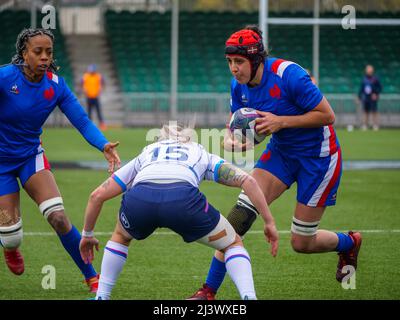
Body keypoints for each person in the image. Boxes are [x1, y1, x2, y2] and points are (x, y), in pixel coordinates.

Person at [188, 25, 362, 300]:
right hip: (280, 153)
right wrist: (233, 141)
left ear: (256, 59)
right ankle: (208, 290)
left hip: (318, 157)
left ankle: (349, 242)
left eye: (239, 62)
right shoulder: (238, 86)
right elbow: (236, 127)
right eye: (230, 62)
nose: (234, 69)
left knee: (301, 242)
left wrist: (281, 122)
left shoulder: (289, 75)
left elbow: (328, 116)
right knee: (238, 220)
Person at [79, 124, 279, 300]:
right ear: (188, 138)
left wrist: (87, 234)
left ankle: (102, 297)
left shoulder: (148, 152)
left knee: (121, 236)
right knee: (232, 243)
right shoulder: (199, 152)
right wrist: (269, 222)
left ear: (161, 138)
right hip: (184, 202)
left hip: (140, 201)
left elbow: (97, 196)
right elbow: (249, 181)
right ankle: (249, 297)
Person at [0, 28, 120, 293]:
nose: (44, 57)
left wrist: (103, 145)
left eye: (49, 52)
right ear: (23, 53)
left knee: (58, 217)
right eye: (38, 51)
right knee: (11, 237)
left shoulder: (56, 86)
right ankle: (10, 247)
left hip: (31, 158)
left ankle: (92, 277)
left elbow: (81, 120)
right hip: (0, 165)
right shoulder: (4, 76)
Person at [81, 64, 106, 130]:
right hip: (89, 96)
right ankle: (89, 125)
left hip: (95, 96)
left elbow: (102, 83)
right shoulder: (86, 76)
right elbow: (82, 84)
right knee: (89, 112)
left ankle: (102, 124)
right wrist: (84, 89)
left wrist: (101, 89)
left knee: (98, 111)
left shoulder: (98, 76)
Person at [358, 64, 382, 131]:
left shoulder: (375, 79)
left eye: (370, 69)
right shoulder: (364, 79)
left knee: (374, 111)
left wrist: (376, 94)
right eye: (367, 69)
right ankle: (365, 125)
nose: (368, 70)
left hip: (372, 98)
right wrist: (359, 96)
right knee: (365, 111)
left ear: (372, 70)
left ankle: (375, 125)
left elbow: (380, 87)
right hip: (366, 98)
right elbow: (361, 89)